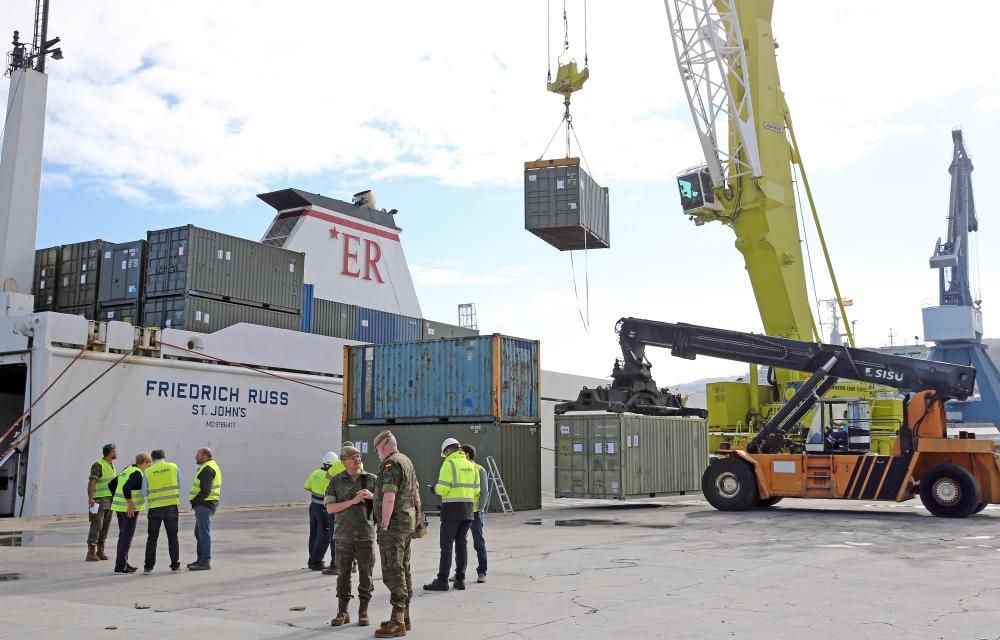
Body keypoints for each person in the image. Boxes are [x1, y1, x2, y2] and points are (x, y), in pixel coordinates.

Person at [372, 430, 420, 638]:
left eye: (377, 450)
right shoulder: (406, 460)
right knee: (403, 567)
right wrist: (418, 517)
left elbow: (389, 497)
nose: (377, 454)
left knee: (393, 570)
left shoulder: (390, 464)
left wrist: (384, 525)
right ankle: (405, 616)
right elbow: (416, 494)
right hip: (407, 523)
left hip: (394, 526)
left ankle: (397, 622)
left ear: (383, 446)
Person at [324, 445, 377, 627]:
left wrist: (372, 496)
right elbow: (330, 508)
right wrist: (352, 501)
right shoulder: (336, 481)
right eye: (353, 457)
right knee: (343, 575)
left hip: (365, 534)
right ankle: (343, 611)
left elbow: (385, 504)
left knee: (366, 575)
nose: (358, 460)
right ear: (343, 461)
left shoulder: (371, 480)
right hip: (343, 535)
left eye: (359, 456)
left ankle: (363, 611)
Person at [423, 437, 476, 592]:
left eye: (444, 453)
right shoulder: (470, 464)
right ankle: (460, 580)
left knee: (446, 546)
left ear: (447, 450)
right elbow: (476, 489)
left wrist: (434, 488)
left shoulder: (448, 463)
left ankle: (442, 580)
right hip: (467, 510)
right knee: (462, 545)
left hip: (452, 510)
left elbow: (444, 489)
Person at [108, 452, 151, 574]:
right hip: (129, 510)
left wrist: (118, 499)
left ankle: (124, 563)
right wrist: (130, 503)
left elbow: (112, 485)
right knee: (126, 538)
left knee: (123, 536)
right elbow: (126, 487)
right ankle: (120, 567)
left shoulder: (127, 470)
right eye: (148, 464)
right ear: (144, 463)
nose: (149, 467)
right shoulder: (137, 473)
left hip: (119, 507)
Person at [143, 449, 181, 574]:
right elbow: (179, 485)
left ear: (152, 458)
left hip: (154, 508)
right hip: (171, 507)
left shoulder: (148, 471)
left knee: (152, 538)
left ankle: (148, 567)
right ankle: (175, 565)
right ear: (164, 456)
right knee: (173, 537)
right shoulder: (174, 467)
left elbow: (144, 492)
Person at [305, 451, 342, 573]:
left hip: (313, 506)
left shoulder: (315, 472)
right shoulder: (329, 475)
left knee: (314, 533)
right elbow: (330, 492)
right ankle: (317, 562)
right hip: (323, 508)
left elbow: (307, 487)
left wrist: (316, 491)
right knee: (325, 535)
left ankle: (312, 560)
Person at [188, 447, 221, 571]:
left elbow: (205, 491)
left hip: (205, 505)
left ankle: (205, 561)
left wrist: (194, 502)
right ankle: (200, 560)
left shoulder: (207, 469)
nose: (195, 457)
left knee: (203, 533)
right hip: (206, 504)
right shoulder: (208, 466)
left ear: (205, 456)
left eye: (198, 455)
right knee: (199, 533)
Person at [460, 444, 489, 583]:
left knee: (478, 542)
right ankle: (460, 573)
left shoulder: (479, 470)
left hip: (476, 513)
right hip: (462, 511)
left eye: (460, 453)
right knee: (460, 543)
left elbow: (484, 492)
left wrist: (481, 509)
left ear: (467, 455)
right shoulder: (461, 469)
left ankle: (482, 572)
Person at [86, 443, 117, 562]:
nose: (117, 453)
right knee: (96, 526)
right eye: (115, 451)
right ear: (111, 452)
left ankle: (100, 550)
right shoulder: (98, 465)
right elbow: (92, 482)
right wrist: (91, 498)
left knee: (105, 526)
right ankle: (91, 552)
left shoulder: (111, 465)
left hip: (110, 500)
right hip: (99, 500)